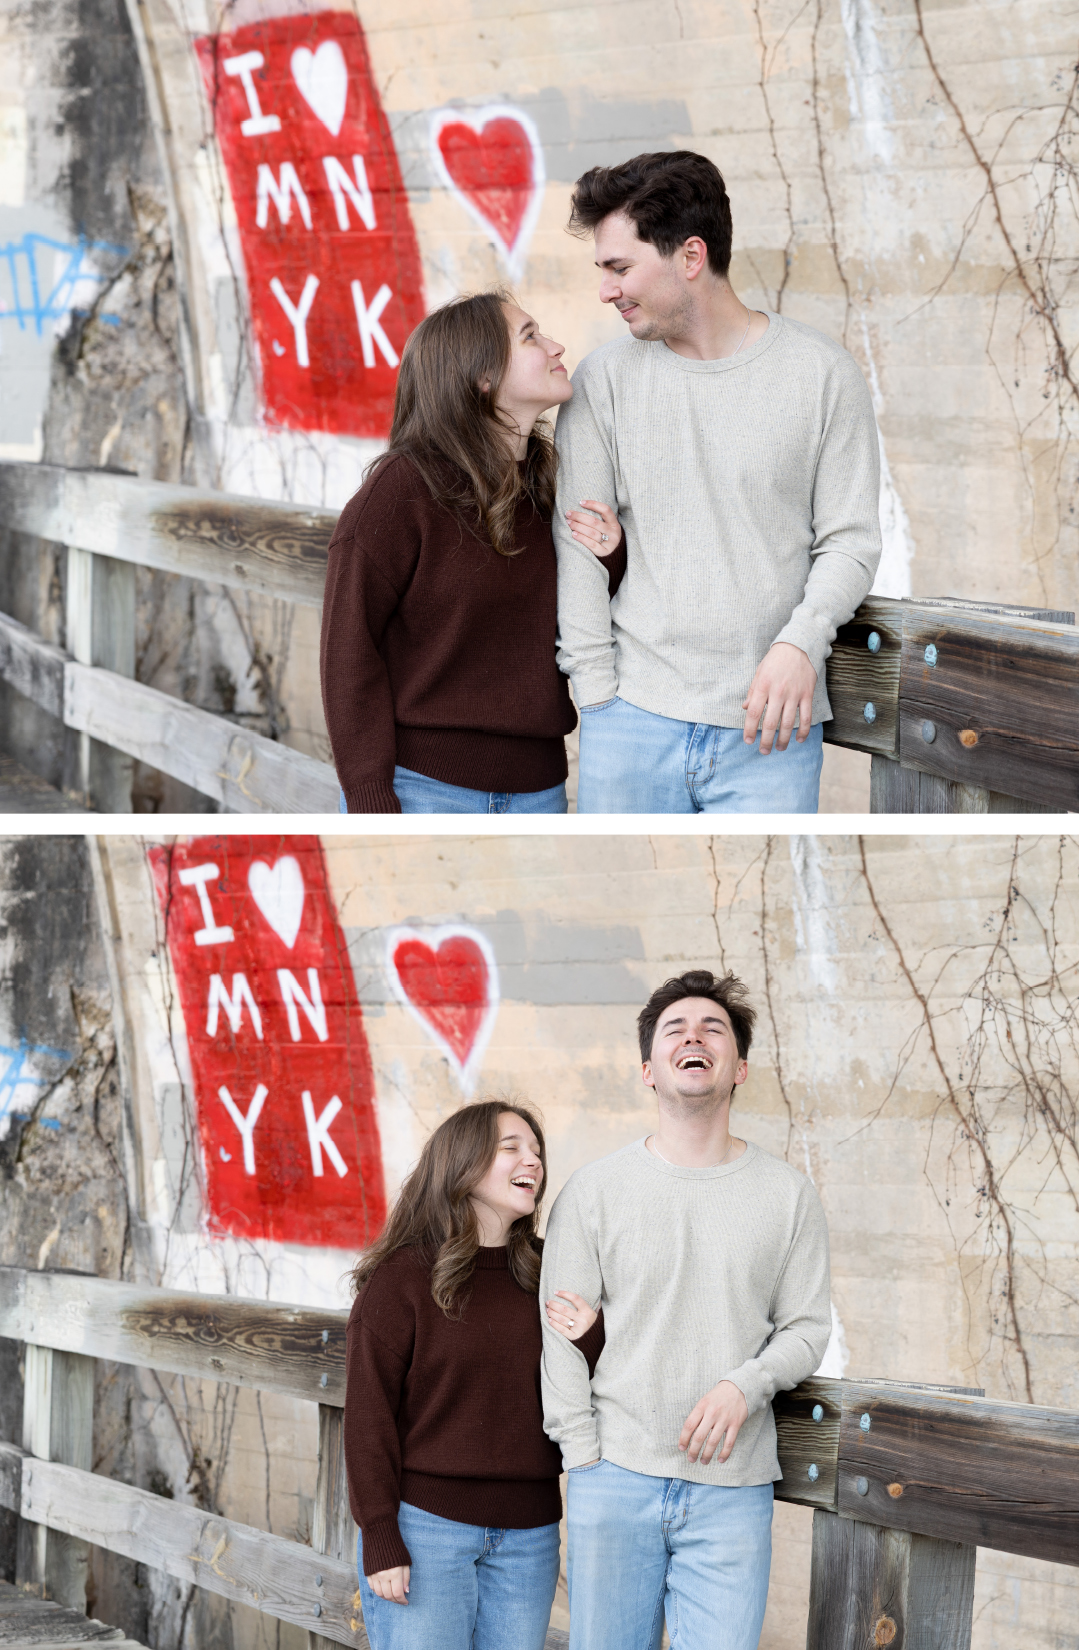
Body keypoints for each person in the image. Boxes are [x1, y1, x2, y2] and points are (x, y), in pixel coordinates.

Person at [553, 150, 883, 813]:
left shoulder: (823, 376)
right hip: (631, 725)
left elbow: (850, 543)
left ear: (691, 257)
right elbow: (576, 548)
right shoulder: (601, 382)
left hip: (772, 735)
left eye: (620, 268)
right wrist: (598, 697)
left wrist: (801, 643)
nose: (606, 290)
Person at [540, 970, 831, 1650]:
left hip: (732, 1493)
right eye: (675, 1029)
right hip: (613, 1479)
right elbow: (556, 1336)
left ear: (740, 1069)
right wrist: (583, 1460)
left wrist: (745, 1385)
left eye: (713, 1029)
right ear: (648, 1070)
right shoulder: (594, 1193)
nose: (693, 1037)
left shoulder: (788, 1197)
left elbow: (808, 1328)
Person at [320, 291, 625, 813]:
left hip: (540, 790)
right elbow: (348, 653)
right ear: (481, 378)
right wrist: (370, 798)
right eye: (530, 336)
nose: (555, 346)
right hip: (420, 788)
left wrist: (609, 559)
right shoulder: (401, 493)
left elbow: (556, 622)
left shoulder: (545, 486)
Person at [343, 1099, 604, 1650]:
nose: (531, 1159)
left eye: (536, 1150)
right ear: (461, 1163)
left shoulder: (549, 1268)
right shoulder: (402, 1279)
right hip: (427, 1530)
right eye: (511, 1147)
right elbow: (368, 1420)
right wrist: (381, 1535)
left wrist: (592, 1337)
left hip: (531, 1536)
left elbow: (602, 1385)